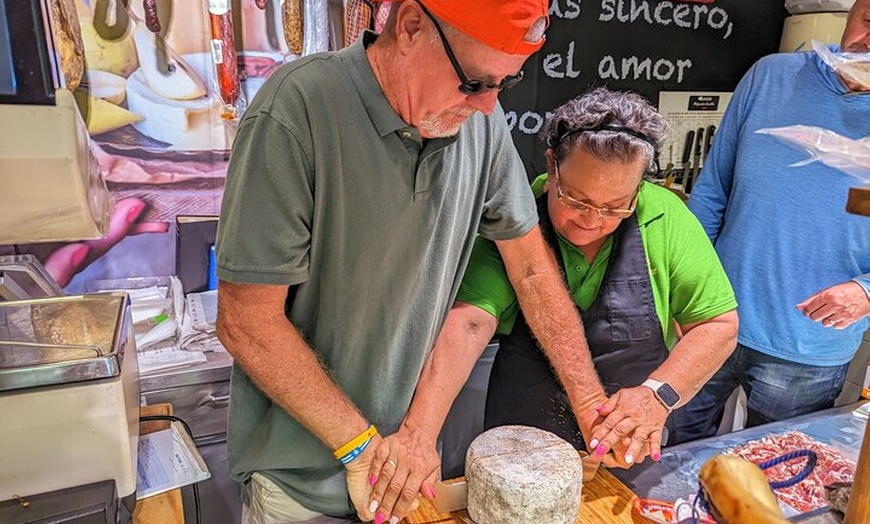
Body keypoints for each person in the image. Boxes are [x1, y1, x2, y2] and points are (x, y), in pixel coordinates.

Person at [215, 2, 619, 523]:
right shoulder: (298, 110)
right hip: (302, 487)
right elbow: (246, 321)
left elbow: (531, 270)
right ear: (409, 27)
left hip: (408, 472)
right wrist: (359, 447)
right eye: (475, 82)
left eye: (506, 84)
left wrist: (590, 404)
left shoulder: (483, 129)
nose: (487, 106)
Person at [410, 87, 738, 470]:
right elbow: (469, 322)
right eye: (576, 200)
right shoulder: (516, 218)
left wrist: (656, 395)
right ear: (552, 166)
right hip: (523, 441)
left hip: (629, 445)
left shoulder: (665, 217)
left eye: (616, 207)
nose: (592, 220)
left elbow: (718, 326)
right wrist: (420, 434)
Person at [674, 0, 870, 444]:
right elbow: (710, 194)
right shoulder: (771, 76)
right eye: (869, 21)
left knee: (775, 476)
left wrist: (865, 293)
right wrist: (686, 294)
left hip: (809, 347)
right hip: (712, 319)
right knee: (666, 458)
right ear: (854, 9)